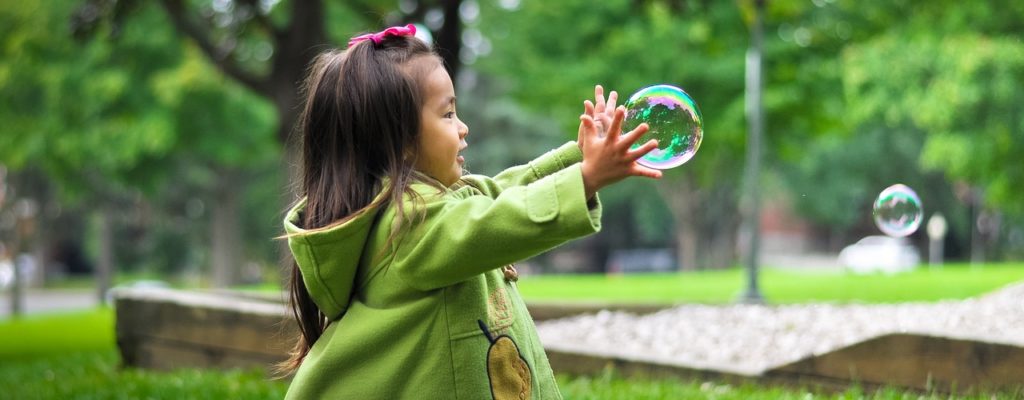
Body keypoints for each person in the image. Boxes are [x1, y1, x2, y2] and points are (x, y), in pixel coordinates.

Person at [279, 24, 661, 400]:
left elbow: (503, 191)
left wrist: (580, 156)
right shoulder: (407, 226)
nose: (462, 128)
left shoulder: (430, 206)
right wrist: (586, 177)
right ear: (401, 141)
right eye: (447, 115)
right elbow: (495, 221)